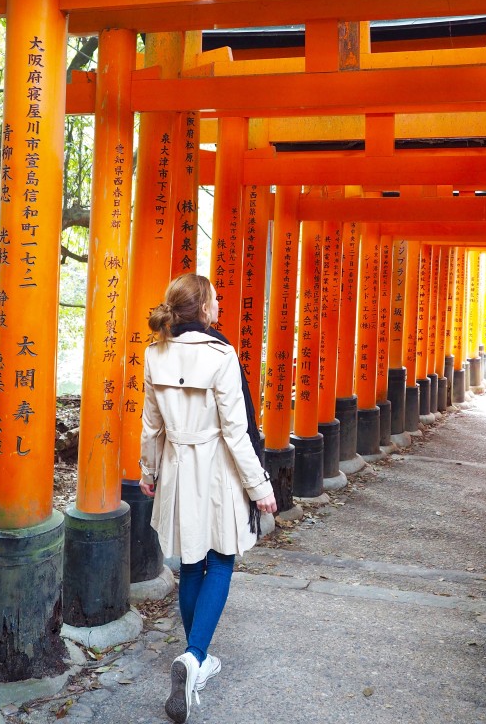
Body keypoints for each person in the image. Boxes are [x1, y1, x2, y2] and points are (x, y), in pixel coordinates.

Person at [139, 273, 277, 723]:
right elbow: (237, 434)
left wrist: (149, 471)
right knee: (221, 558)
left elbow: (152, 426)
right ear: (203, 309)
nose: (218, 305)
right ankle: (195, 657)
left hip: (178, 468)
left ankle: (193, 654)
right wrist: (260, 488)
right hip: (216, 470)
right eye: (215, 300)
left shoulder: (154, 354)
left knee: (190, 561)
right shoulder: (221, 355)